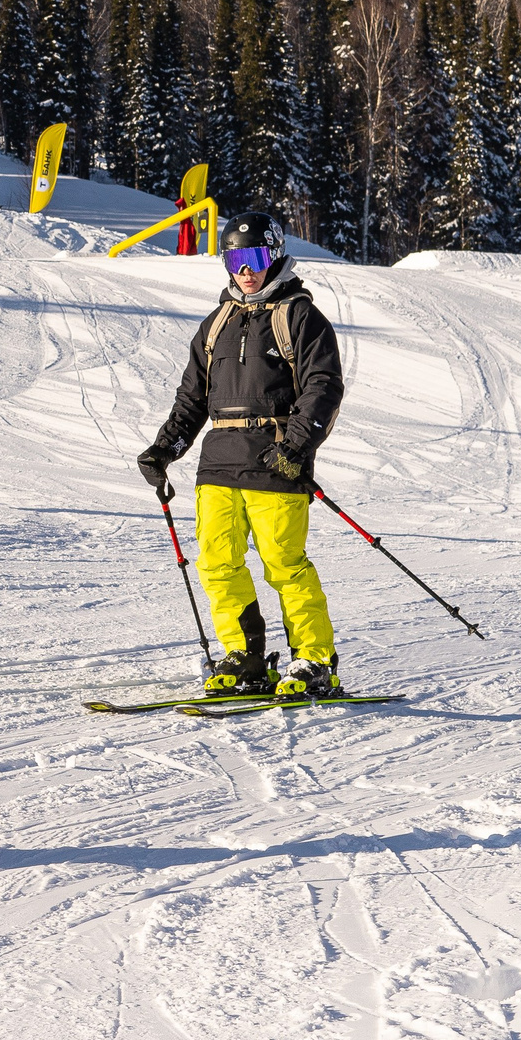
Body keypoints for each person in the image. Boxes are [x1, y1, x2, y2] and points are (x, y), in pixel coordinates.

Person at [135, 212, 348, 698]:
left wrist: (294, 447)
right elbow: (192, 398)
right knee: (216, 563)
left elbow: (323, 388)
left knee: (283, 564)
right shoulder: (216, 325)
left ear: (272, 254)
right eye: (234, 258)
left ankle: (313, 660)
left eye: (252, 257)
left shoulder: (300, 318)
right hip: (218, 464)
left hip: (276, 461)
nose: (244, 270)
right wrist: (165, 448)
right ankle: (246, 657)